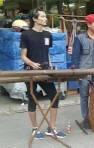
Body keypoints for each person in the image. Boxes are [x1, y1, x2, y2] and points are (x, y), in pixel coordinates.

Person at [20, 8, 65, 139]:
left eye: (45, 16)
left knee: (55, 97)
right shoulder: (26, 34)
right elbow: (23, 55)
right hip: (31, 72)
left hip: (45, 71)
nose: (45, 19)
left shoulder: (48, 35)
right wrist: (32, 64)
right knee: (33, 100)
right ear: (35, 19)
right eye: (43, 16)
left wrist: (51, 67)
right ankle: (35, 128)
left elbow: (47, 53)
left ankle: (52, 127)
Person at [71, 14, 94, 129]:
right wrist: (77, 72)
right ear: (88, 24)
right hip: (83, 72)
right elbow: (75, 56)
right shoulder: (80, 38)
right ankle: (86, 119)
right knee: (84, 96)